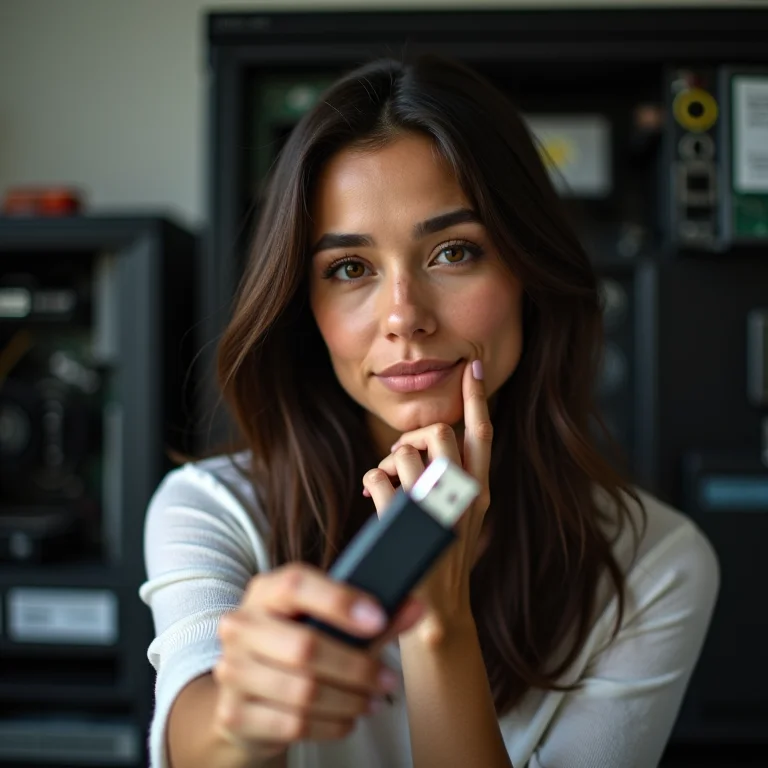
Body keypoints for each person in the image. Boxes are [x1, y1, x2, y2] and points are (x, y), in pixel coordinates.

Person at [139, 55, 720, 768]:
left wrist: (438, 624)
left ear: (527, 275)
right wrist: (240, 716)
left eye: (453, 252)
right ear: (305, 309)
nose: (403, 317)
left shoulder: (655, 565)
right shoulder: (214, 510)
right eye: (350, 269)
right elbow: (197, 742)